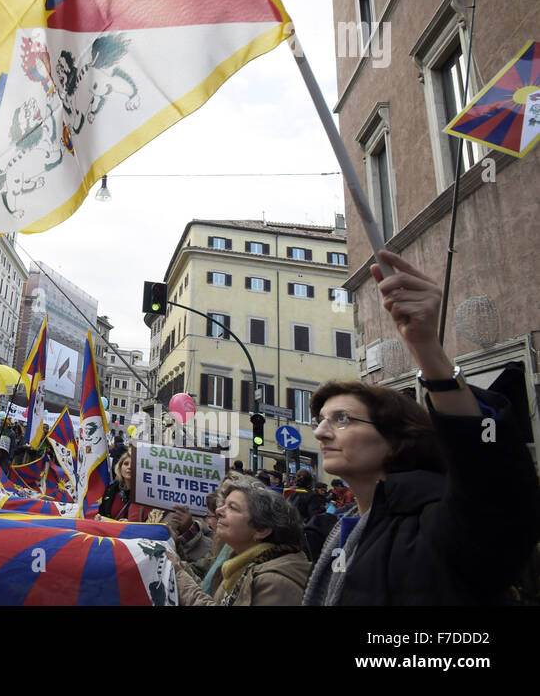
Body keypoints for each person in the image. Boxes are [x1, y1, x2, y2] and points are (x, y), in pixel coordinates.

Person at [302, 249, 540, 605]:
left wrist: (428, 349)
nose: (321, 432)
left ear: (397, 438)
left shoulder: (442, 525)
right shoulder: (344, 528)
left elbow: (494, 486)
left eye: (342, 420)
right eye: (321, 421)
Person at [174, 480, 311, 606]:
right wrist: (177, 569)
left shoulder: (275, 582)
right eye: (224, 505)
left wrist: (179, 576)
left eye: (232, 507)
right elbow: (210, 598)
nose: (218, 511)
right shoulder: (237, 561)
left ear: (261, 529)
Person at [99, 451, 147, 522]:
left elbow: (150, 521)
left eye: (134, 464)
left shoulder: (144, 494)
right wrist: (99, 517)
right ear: (120, 468)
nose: (129, 467)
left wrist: (130, 523)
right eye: (126, 464)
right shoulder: (111, 489)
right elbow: (102, 512)